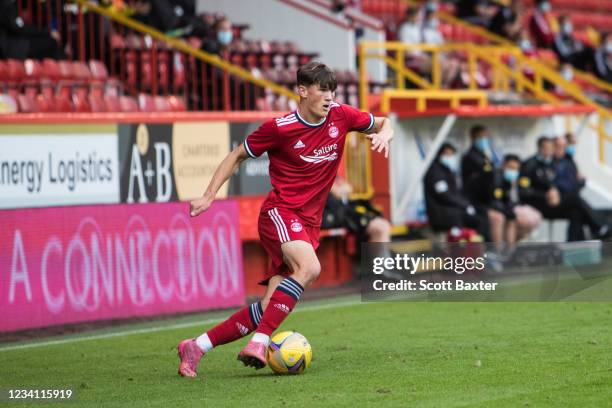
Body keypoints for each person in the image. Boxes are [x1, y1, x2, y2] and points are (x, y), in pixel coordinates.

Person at [176, 62, 394, 377]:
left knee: (268, 308)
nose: (329, 97)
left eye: (332, 91)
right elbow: (237, 155)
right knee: (310, 268)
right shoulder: (280, 128)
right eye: (322, 90)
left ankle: (196, 346)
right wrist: (209, 194)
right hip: (280, 213)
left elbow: (384, 122)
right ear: (303, 91)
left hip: (308, 223)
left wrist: (384, 136)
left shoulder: (342, 116)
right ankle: (260, 342)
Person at [424, 142, 489, 239]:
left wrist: (466, 204)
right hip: (441, 214)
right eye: (447, 154)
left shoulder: (448, 171)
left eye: (451, 154)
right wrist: (464, 205)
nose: (450, 157)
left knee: (482, 214)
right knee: (477, 221)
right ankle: (476, 249)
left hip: (452, 211)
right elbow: (444, 196)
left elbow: (456, 194)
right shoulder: (435, 171)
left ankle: (482, 249)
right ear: (439, 154)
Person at [552, 135, 610, 240]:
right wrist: (579, 182)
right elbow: (563, 185)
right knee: (577, 200)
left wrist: (580, 182)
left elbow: (575, 183)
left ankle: (575, 244)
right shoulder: (552, 163)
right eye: (560, 146)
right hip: (558, 200)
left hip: (570, 198)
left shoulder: (568, 162)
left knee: (576, 214)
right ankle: (598, 226)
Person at [487, 154, 542, 249]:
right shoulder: (496, 177)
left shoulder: (516, 179)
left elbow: (520, 196)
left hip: (511, 208)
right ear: (503, 165)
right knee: (505, 218)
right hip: (492, 208)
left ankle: (511, 250)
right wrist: (508, 211)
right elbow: (496, 200)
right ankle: (500, 250)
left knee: (531, 218)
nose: (513, 171)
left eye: (516, 169)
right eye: (510, 167)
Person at [323, 176, 392, 243]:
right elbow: (339, 193)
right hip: (338, 217)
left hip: (350, 216)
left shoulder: (332, 175)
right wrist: (335, 189)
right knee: (380, 228)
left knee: (383, 226)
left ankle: (378, 254)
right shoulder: (322, 178)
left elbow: (347, 189)